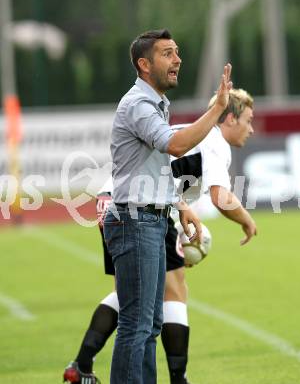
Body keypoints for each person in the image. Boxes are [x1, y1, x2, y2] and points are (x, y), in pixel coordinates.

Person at [63, 87, 256, 384]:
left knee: (132, 296)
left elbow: (167, 177)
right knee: (173, 290)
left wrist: (179, 219)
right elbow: (221, 196)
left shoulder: (194, 133)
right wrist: (246, 220)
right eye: (247, 121)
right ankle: (178, 379)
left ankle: (82, 364)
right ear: (229, 119)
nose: (251, 129)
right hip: (139, 206)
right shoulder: (214, 140)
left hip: (115, 199)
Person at [89, 28, 231, 384]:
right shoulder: (138, 105)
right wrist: (216, 110)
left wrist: (180, 205)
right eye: (167, 53)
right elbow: (177, 146)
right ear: (144, 64)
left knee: (149, 324)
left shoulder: (154, 103)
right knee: (137, 325)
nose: (177, 59)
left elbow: (153, 167)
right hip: (134, 222)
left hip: (150, 219)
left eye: (177, 52)